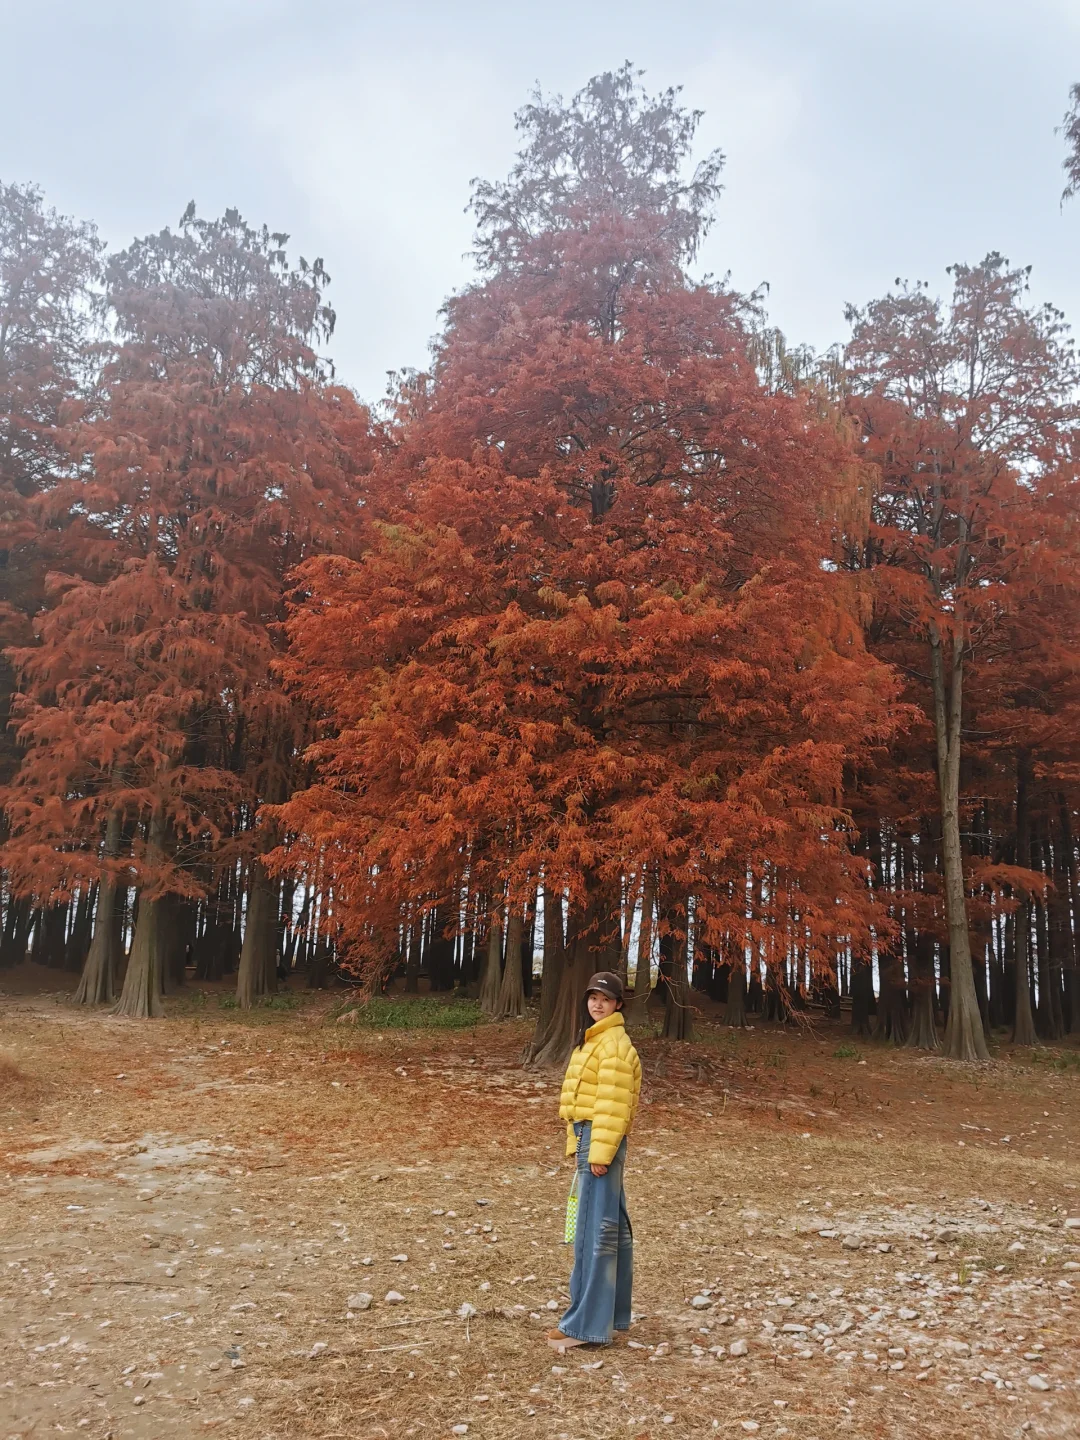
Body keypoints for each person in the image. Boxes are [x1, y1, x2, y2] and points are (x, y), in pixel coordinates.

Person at [548, 970, 642, 1351]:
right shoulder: (595, 1042)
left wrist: (598, 1155)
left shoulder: (613, 1046)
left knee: (593, 1234)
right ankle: (609, 1317)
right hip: (591, 1139)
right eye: (592, 996)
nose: (597, 1003)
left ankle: (585, 1325)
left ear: (619, 1004)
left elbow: (614, 1106)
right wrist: (579, 1144)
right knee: (609, 1231)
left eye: (605, 997)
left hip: (600, 1144)